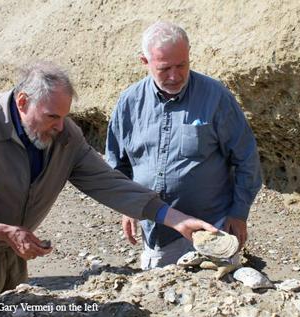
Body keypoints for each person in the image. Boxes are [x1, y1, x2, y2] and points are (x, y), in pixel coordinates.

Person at [0, 61, 216, 317]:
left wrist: (177, 219)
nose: (60, 126)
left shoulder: (64, 136)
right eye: (52, 117)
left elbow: (108, 183)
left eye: (64, 116)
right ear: (23, 102)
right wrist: (0, 231)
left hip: (11, 259)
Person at [106, 21, 262, 270]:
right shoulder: (129, 103)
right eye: (164, 68)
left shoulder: (216, 97)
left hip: (212, 230)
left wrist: (239, 213)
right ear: (144, 62)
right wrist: (128, 207)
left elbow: (247, 159)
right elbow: (117, 166)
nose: (174, 76)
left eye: (182, 65)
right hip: (159, 235)